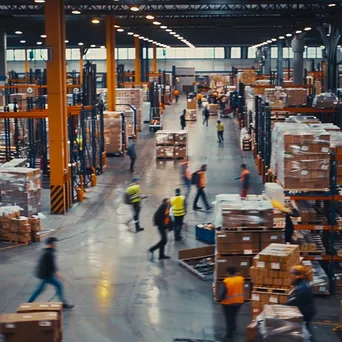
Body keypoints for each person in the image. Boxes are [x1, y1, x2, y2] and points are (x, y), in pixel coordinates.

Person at [28, 237, 74, 309]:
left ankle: (28, 303)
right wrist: (60, 275)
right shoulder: (49, 253)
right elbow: (53, 267)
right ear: (51, 244)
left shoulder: (45, 251)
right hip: (46, 276)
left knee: (40, 290)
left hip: (45, 274)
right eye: (54, 243)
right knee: (57, 285)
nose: (55, 245)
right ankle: (63, 303)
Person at [287, 265, 316, 341]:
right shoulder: (303, 283)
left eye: (291, 274)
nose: (290, 276)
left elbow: (292, 302)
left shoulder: (301, 288)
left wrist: (278, 306)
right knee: (307, 331)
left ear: (297, 276)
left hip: (304, 313)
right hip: (307, 311)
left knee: (305, 334)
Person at [219, 266, 244, 340]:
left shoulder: (226, 281)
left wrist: (220, 300)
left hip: (228, 303)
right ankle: (234, 329)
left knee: (229, 318)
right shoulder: (240, 279)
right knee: (234, 316)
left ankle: (229, 335)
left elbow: (222, 293)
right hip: (239, 302)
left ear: (228, 273)